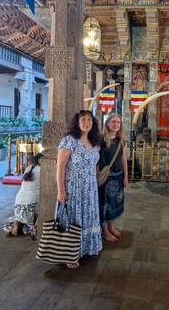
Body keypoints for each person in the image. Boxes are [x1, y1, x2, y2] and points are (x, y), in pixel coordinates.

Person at [56, 110, 102, 268]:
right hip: (73, 187)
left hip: (90, 188)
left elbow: (94, 166)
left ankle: (87, 247)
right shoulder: (69, 141)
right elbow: (60, 167)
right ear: (77, 122)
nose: (87, 123)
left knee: (88, 217)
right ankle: (71, 254)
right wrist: (61, 190)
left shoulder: (94, 143)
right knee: (74, 219)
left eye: (89, 120)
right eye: (83, 120)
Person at [98, 113, 128, 242]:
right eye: (113, 122)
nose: (116, 124)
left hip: (118, 176)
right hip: (106, 178)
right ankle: (104, 231)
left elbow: (123, 159)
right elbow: (95, 160)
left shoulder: (120, 139)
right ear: (107, 123)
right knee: (105, 204)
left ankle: (111, 226)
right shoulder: (101, 140)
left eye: (118, 122)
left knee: (115, 202)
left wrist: (126, 176)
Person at [3, 153, 43, 238]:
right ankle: (34, 229)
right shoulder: (42, 170)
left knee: (20, 215)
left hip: (19, 199)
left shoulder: (28, 168)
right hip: (32, 201)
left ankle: (15, 225)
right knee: (43, 207)